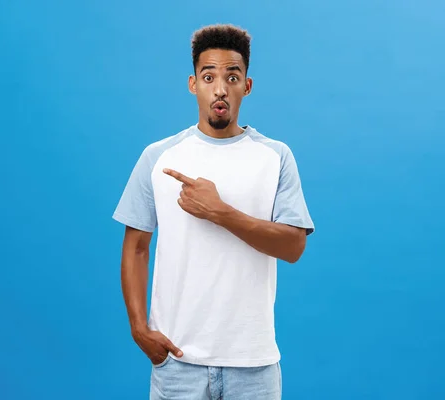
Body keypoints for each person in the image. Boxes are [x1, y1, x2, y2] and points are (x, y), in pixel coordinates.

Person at [112, 24, 315, 400]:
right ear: (193, 84)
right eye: (209, 77)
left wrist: (219, 212)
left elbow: (293, 247)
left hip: (253, 365)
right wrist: (139, 328)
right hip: (177, 363)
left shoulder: (275, 156)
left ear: (246, 86)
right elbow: (137, 246)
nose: (220, 88)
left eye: (232, 77)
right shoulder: (158, 157)